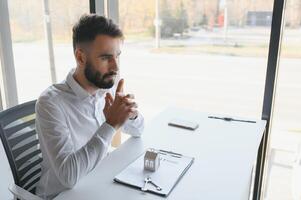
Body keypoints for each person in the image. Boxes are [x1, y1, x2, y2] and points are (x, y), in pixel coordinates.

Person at [35, 14, 144, 199]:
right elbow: (68, 177)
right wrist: (110, 125)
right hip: (61, 195)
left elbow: (139, 130)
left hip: (100, 183)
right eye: (105, 58)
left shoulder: (103, 90)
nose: (115, 67)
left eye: (117, 56)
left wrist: (130, 114)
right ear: (80, 57)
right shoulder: (50, 103)